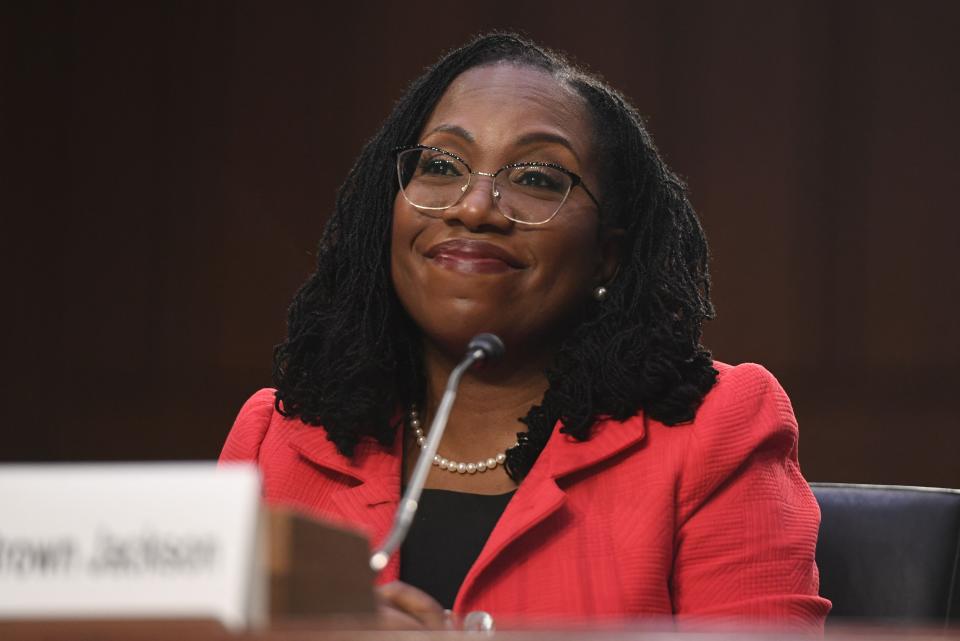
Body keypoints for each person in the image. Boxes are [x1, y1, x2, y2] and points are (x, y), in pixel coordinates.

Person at [220, 33, 830, 631]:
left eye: (537, 178)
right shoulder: (274, 438)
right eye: (439, 165)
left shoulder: (714, 429)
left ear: (607, 255)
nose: (476, 206)